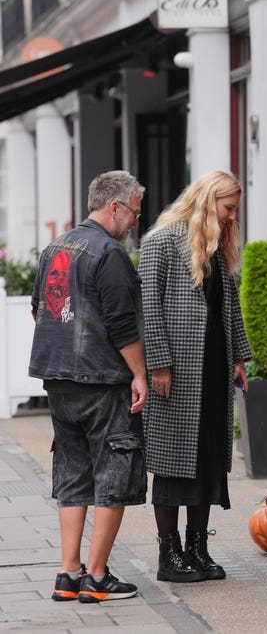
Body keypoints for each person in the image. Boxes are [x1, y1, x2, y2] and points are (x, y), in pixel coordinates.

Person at [29, 170, 148, 603]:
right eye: (134, 211)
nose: (136, 220)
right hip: (101, 379)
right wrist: (139, 374)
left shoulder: (54, 247)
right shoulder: (109, 253)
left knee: (72, 474)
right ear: (114, 206)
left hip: (58, 378)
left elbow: (39, 308)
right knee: (112, 474)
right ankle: (96, 578)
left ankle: (68, 574)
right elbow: (121, 324)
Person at [139, 170, 251, 583]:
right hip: (178, 372)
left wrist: (239, 357)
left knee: (207, 459)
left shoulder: (217, 248)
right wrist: (159, 364)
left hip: (214, 368)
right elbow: (148, 306)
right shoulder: (161, 241)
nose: (233, 216)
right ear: (209, 201)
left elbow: (230, 306)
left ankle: (197, 548)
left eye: (235, 209)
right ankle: (169, 556)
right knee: (173, 462)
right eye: (229, 208)